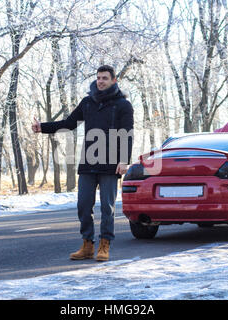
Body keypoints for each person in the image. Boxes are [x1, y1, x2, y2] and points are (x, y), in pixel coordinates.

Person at [32, 65, 134, 261]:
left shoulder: (123, 105)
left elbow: (127, 134)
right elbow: (69, 124)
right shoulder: (88, 102)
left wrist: (124, 161)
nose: (100, 81)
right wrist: (42, 127)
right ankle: (87, 245)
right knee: (83, 205)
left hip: (111, 162)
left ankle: (104, 245)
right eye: (98, 78)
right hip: (88, 161)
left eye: (105, 78)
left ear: (114, 81)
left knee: (107, 207)